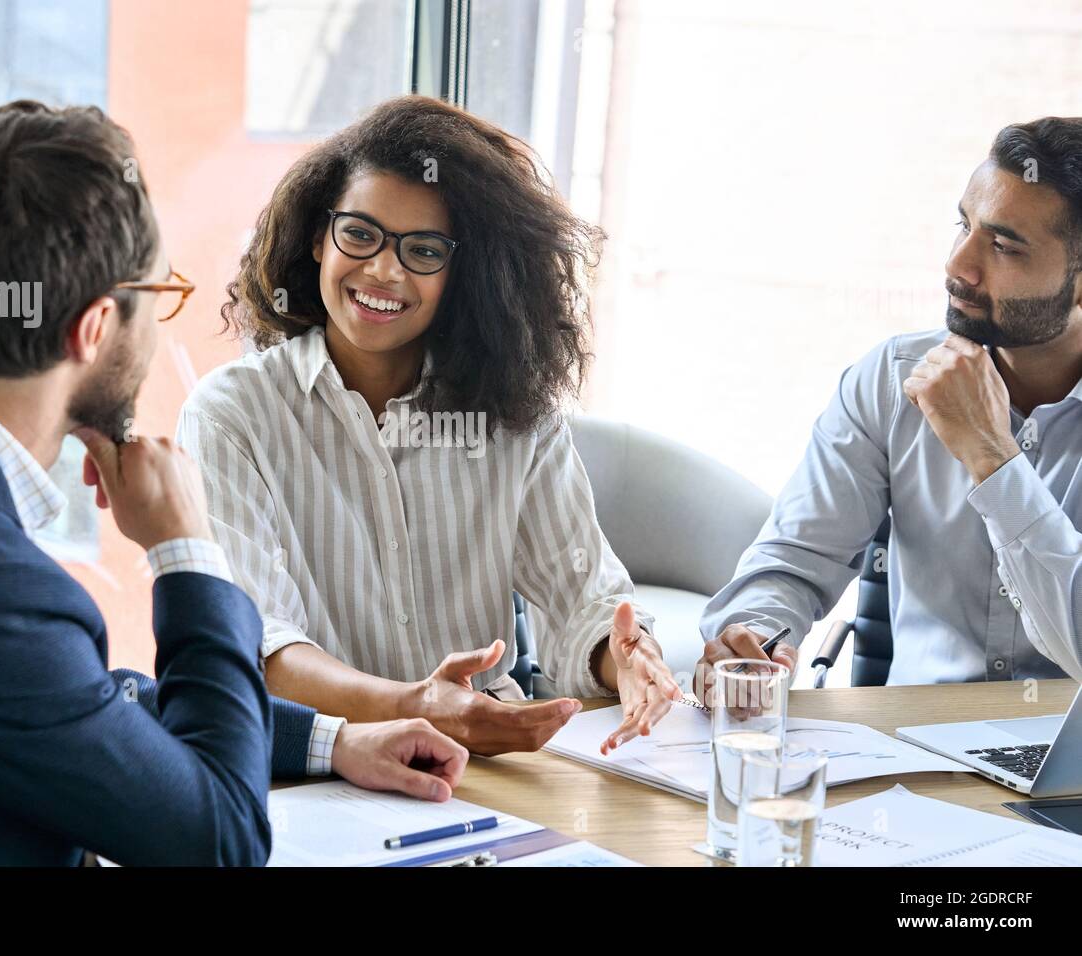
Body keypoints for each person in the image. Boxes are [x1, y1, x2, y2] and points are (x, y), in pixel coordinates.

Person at [0, 101, 466, 867]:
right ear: (96, 326)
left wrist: (330, 740)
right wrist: (187, 552)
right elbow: (222, 842)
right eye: (159, 294)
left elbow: (64, 703)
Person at [179, 95, 681, 758]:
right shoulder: (232, 416)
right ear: (316, 237)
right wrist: (418, 707)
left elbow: (586, 605)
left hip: (486, 764)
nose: (383, 270)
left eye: (422, 251)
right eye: (359, 234)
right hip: (316, 765)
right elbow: (259, 644)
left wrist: (629, 658)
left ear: (461, 275)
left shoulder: (514, 416)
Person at [698, 117, 1082, 693]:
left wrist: (993, 458)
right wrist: (754, 634)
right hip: (913, 760)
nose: (959, 266)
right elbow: (796, 559)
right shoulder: (892, 379)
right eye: (964, 225)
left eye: (1003, 246)